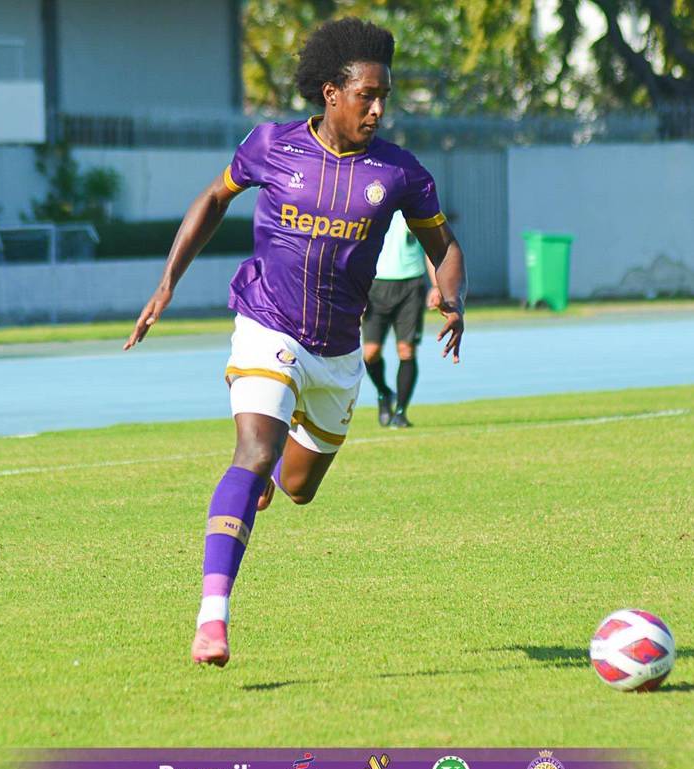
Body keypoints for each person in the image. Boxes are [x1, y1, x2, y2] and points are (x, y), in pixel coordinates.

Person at [123, 17, 467, 667]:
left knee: (298, 486)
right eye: (367, 93)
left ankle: (278, 470)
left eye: (384, 95)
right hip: (267, 324)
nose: (378, 107)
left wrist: (452, 296)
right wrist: (167, 283)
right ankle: (212, 618)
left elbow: (442, 246)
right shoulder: (270, 146)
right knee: (251, 454)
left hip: (338, 353)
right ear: (332, 92)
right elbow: (213, 198)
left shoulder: (399, 173)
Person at [363, 209, 440, 427]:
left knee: (406, 349)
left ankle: (401, 412)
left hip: (410, 286)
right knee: (370, 353)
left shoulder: (413, 208)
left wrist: (436, 286)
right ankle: (384, 393)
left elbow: (430, 249)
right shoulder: (371, 208)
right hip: (375, 287)